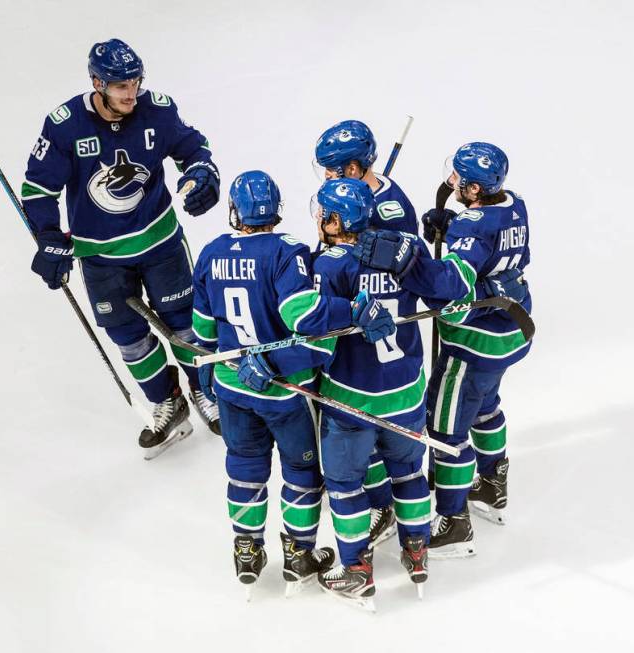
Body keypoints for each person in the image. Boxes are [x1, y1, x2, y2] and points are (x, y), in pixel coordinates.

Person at [191, 170, 395, 597]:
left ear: (234, 210)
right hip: (288, 391)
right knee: (301, 471)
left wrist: (207, 374)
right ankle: (299, 554)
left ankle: (247, 548)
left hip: (232, 386)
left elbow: (203, 329)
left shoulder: (210, 252)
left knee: (244, 465)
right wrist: (353, 308)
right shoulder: (289, 252)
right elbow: (306, 317)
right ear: (277, 209)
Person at [21, 38, 222, 451]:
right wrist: (48, 239)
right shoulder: (65, 125)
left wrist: (203, 172)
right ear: (97, 83)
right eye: (119, 86)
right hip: (101, 256)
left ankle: (204, 390)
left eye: (134, 82)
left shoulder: (158, 110)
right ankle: (168, 401)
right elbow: (38, 189)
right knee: (127, 336)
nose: (130, 93)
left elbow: (192, 147)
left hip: (160, 242)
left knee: (186, 323)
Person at [352, 142, 532, 557]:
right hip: (512, 332)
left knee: (446, 430)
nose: (450, 181)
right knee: (486, 405)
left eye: (457, 179)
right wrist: (451, 227)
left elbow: (450, 287)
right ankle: (491, 484)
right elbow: (499, 250)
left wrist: (409, 259)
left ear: (472, 188)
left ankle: (454, 522)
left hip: (474, 344)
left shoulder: (474, 226)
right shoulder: (515, 204)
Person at [310, 178, 460, 608]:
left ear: (339, 221)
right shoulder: (404, 249)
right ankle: (417, 554)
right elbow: (447, 288)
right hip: (405, 394)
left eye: (324, 213)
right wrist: (415, 258)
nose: (319, 220)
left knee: (344, 485)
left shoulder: (329, 266)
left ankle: (356, 570)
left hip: (350, 399)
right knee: (408, 475)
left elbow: (315, 336)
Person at [312, 119, 420, 546]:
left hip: (375, 341)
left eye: (334, 170)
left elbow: (403, 277)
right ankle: (377, 496)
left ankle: (379, 503)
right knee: (365, 434)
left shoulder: (393, 212)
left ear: (356, 169)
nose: (326, 178)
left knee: (370, 424)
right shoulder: (343, 199)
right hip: (352, 335)